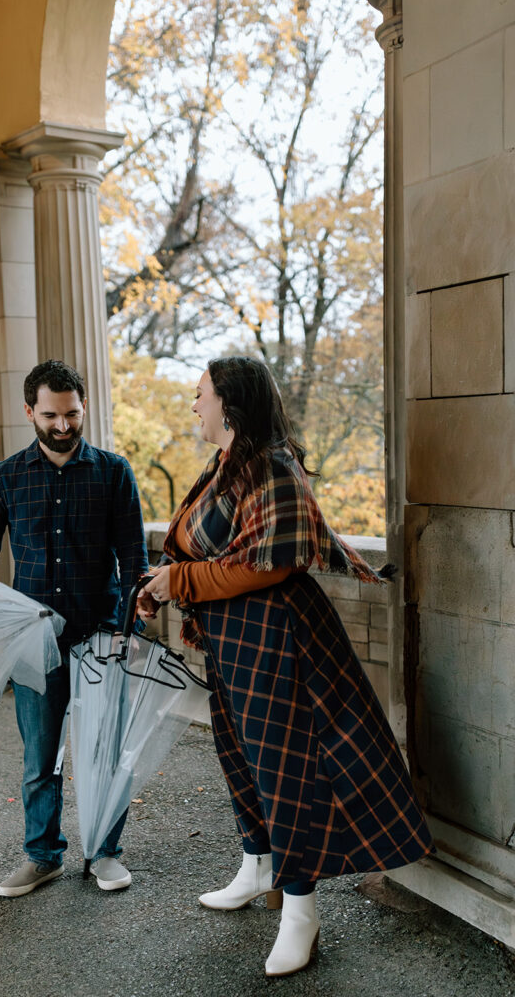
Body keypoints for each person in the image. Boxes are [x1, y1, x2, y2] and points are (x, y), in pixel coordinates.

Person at [137, 355, 433, 978]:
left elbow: (267, 565)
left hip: (276, 635)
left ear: (230, 404)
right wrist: (161, 584)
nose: (195, 405)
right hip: (232, 635)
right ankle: (257, 865)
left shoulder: (272, 468)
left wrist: (177, 580)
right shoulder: (226, 466)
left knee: (286, 768)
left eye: (201, 395)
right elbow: (202, 547)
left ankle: (300, 912)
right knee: (239, 753)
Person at [0, 359, 149, 898]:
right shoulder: (6, 476)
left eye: (72, 413)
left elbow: (134, 558)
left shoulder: (115, 472)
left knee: (104, 753)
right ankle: (42, 857)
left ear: (84, 407)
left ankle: (106, 854)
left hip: (101, 634)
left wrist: (128, 623)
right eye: (51, 415)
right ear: (30, 412)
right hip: (33, 640)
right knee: (39, 758)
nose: (63, 426)